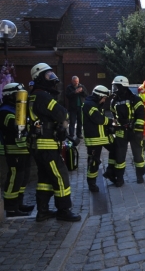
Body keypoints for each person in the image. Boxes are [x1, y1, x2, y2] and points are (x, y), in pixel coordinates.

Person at [28, 63, 81, 222]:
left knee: (44, 179)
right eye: (47, 75)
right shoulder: (43, 96)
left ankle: (42, 211)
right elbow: (61, 113)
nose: (51, 77)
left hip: (38, 146)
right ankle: (64, 210)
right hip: (47, 146)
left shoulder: (33, 95)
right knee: (61, 175)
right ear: (39, 78)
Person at [0, 83, 34, 217]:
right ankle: (10, 207)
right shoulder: (5, 110)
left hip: (23, 148)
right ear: (10, 96)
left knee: (23, 177)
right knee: (15, 176)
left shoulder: (17, 109)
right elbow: (16, 127)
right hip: (13, 149)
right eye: (17, 95)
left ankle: (19, 203)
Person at [107, 76, 145, 186]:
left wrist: (137, 127)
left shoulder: (135, 99)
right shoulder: (113, 101)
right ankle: (119, 178)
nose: (114, 89)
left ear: (123, 86)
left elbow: (141, 114)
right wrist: (113, 126)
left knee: (138, 155)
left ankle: (140, 175)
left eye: (116, 86)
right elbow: (114, 117)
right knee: (119, 156)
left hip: (134, 131)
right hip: (121, 131)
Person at [82, 85, 115, 192]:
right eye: (104, 98)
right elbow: (98, 119)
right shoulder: (89, 105)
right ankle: (91, 184)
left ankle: (110, 172)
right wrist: (111, 121)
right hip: (94, 139)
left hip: (102, 137)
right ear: (99, 96)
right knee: (93, 162)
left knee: (115, 150)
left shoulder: (95, 104)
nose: (104, 100)